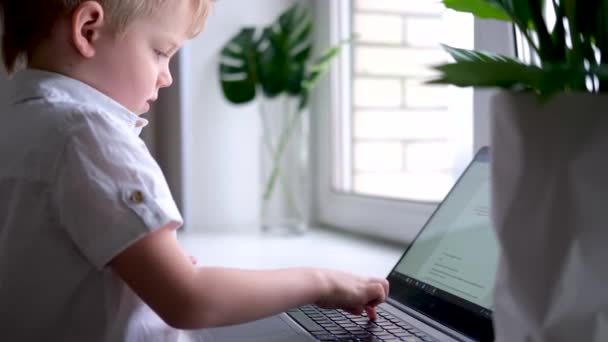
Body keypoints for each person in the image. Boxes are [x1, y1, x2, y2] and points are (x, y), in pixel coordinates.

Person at [0, 0, 389, 341]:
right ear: (88, 29)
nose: (166, 76)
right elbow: (188, 301)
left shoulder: (18, 124)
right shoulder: (87, 134)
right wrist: (321, 282)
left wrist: (146, 266)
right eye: (160, 51)